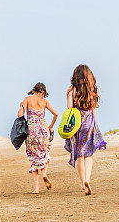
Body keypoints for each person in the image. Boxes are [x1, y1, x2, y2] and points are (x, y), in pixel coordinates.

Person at [65, 64, 107, 195]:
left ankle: (83, 182)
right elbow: (93, 110)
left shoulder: (72, 90)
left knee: (79, 156)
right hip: (89, 124)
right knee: (88, 155)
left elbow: (69, 109)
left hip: (77, 125)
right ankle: (88, 179)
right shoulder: (91, 89)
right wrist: (94, 125)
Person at [17, 83, 57, 193]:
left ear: (34, 90)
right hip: (43, 131)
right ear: (43, 92)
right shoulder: (44, 102)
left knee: (34, 158)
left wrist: (21, 105)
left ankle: (36, 189)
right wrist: (50, 127)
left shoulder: (28, 99)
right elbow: (56, 114)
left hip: (32, 132)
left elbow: (20, 115)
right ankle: (44, 173)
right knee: (45, 154)